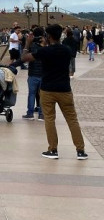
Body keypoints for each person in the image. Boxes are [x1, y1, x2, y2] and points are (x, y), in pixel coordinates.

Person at [22, 24, 88, 160]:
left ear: (48, 36)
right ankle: (80, 151)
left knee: (50, 119)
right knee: (72, 119)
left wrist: (27, 44)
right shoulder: (66, 50)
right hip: (64, 89)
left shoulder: (44, 51)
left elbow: (24, 58)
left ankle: (53, 150)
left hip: (47, 89)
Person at [21, 27, 45, 121]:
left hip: (33, 73)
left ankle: (30, 113)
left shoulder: (31, 45)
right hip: (43, 73)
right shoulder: (45, 45)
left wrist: (28, 43)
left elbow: (23, 58)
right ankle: (41, 114)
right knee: (42, 95)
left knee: (31, 94)